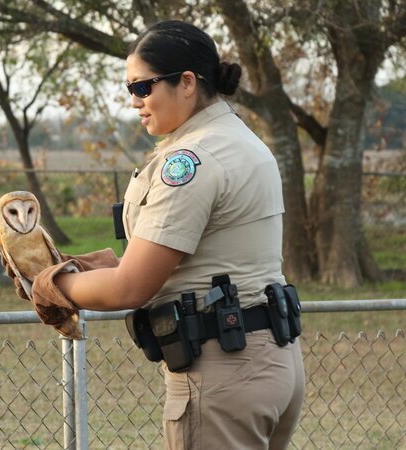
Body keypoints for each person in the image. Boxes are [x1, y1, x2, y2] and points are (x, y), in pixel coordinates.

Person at [25, 20, 305, 449]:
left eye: (142, 87)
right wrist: (106, 265)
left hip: (222, 373)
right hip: (270, 362)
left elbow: (130, 288)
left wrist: (49, 284)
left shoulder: (189, 161)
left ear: (187, 82)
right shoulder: (240, 140)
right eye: (130, 89)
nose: (134, 101)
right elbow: (207, 262)